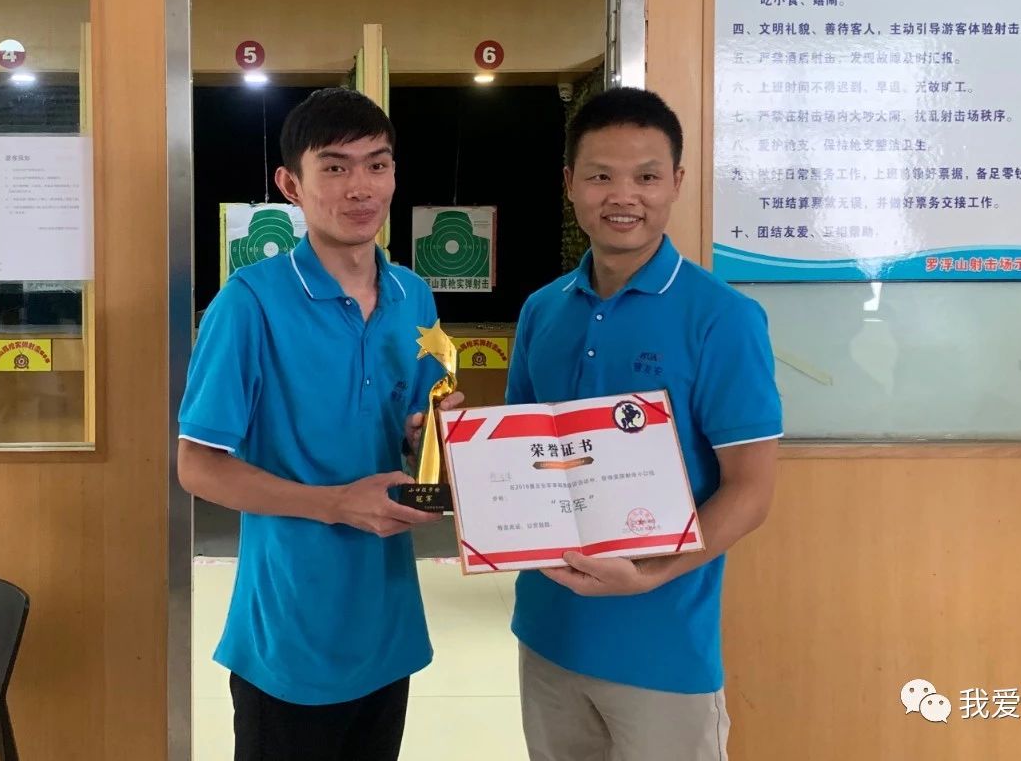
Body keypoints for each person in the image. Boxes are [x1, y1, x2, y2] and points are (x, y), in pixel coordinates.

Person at [177, 88, 462, 761]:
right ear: (291, 185)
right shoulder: (248, 304)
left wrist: (436, 437)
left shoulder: (413, 296)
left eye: (377, 164)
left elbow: (422, 429)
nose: (360, 187)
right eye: (334, 167)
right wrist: (335, 503)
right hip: (290, 628)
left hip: (387, 620)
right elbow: (198, 465)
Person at [507, 87, 782, 761]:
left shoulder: (723, 317)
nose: (623, 196)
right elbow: (521, 454)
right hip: (547, 637)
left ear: (676, 183)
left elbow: (750, 491)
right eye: (600, 175)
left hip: (664, 652)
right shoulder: (543, 310)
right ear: (569, 183)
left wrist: (653, 573)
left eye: (647, 177)